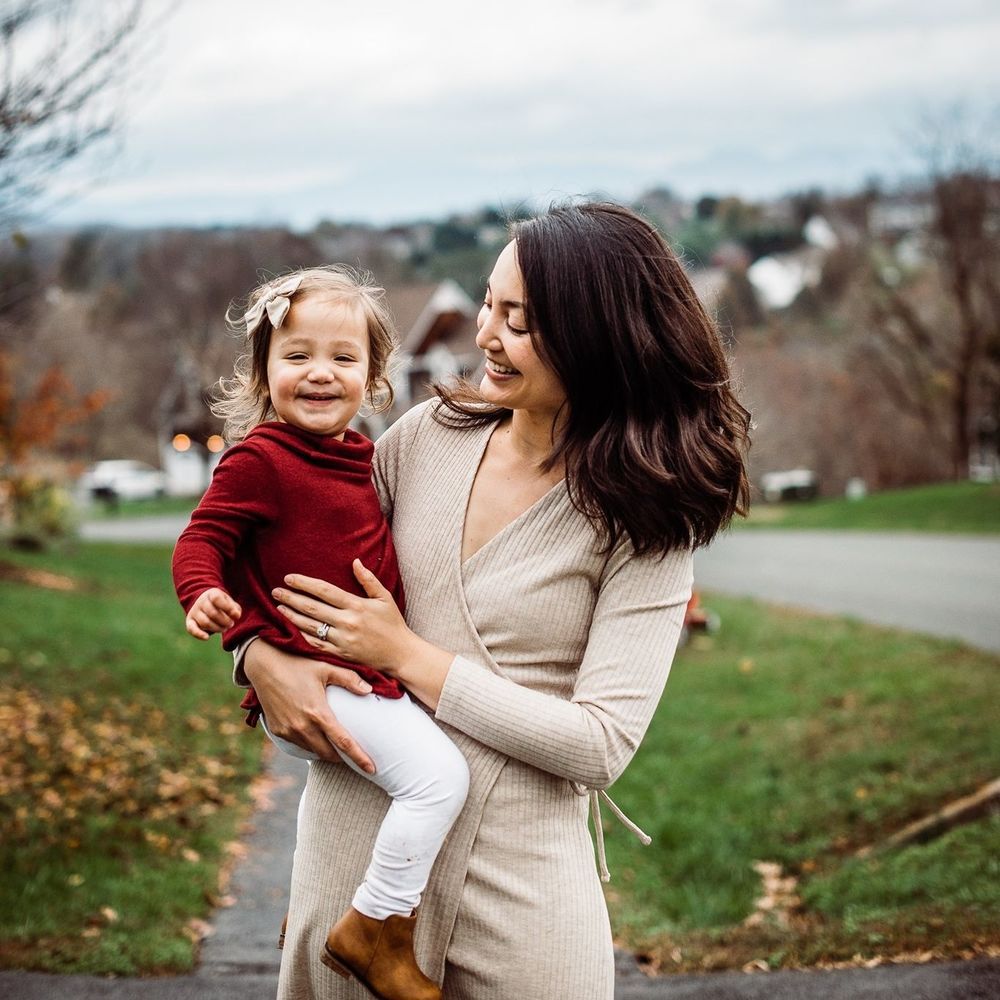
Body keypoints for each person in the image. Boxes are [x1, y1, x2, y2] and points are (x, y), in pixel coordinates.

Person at [240, 202, 751, 999]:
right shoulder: (424, 437)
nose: (486, 334)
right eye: (489, 303)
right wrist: (257, 655)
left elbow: (601, 743)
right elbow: (272, 554)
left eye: (520, 320)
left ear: (595, 337)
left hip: (519, 878)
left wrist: (410, 657)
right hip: (357, 845)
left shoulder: (644, 517)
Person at [171, 267, 469, 1000]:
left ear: (372, 377)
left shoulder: (359, 457)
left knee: (423, 775)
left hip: (361, 673)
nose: (319, 373)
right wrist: (206, 593)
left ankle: (344, 913)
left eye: (343, 358)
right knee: (439, 781)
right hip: (314, 677)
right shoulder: (258, 460)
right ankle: (373, 928)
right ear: (264, 372)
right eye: (297, 355)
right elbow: (201, 538)